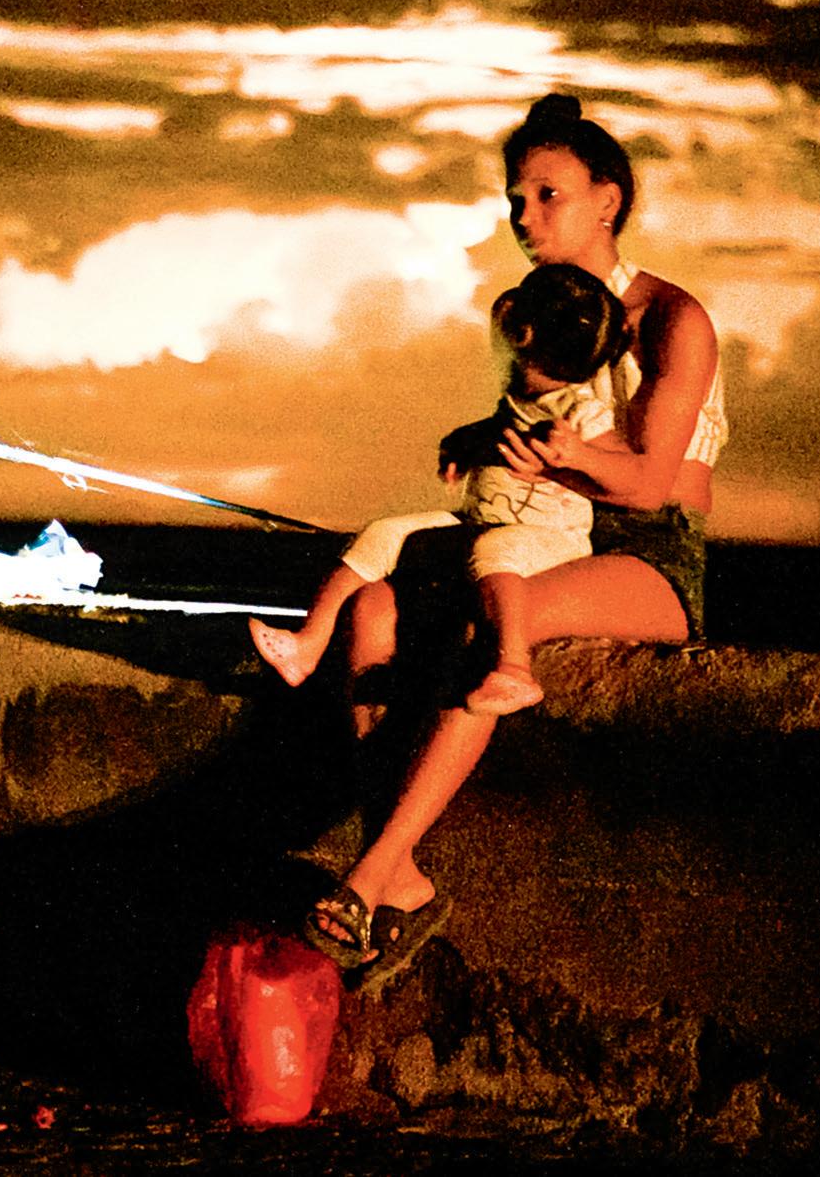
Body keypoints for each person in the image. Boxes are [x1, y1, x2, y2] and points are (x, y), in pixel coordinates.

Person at [301, 93, 728, 982]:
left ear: (608, 200)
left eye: (546, 195)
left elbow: (649, 481)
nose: (523, 217)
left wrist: (559, 459)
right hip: (543, 533)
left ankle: (368, 878)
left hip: (646, 551)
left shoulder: (669, 319)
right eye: (514, 199)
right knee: (373, 611)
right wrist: (486, 441)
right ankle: (401, 872)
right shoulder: (535, 315)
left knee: (498, 619)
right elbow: (528, 438)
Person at [251, 262, 631, 717]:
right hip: (483, 523)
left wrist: (580, 456)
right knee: (385, 533)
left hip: (552, 539)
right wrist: (463, 444)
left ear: (523, 332)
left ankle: (513, 668)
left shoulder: (581, 410)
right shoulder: (518, 397)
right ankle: (307, 645)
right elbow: (497, 429)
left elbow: (624, 470)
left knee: (495, 551)